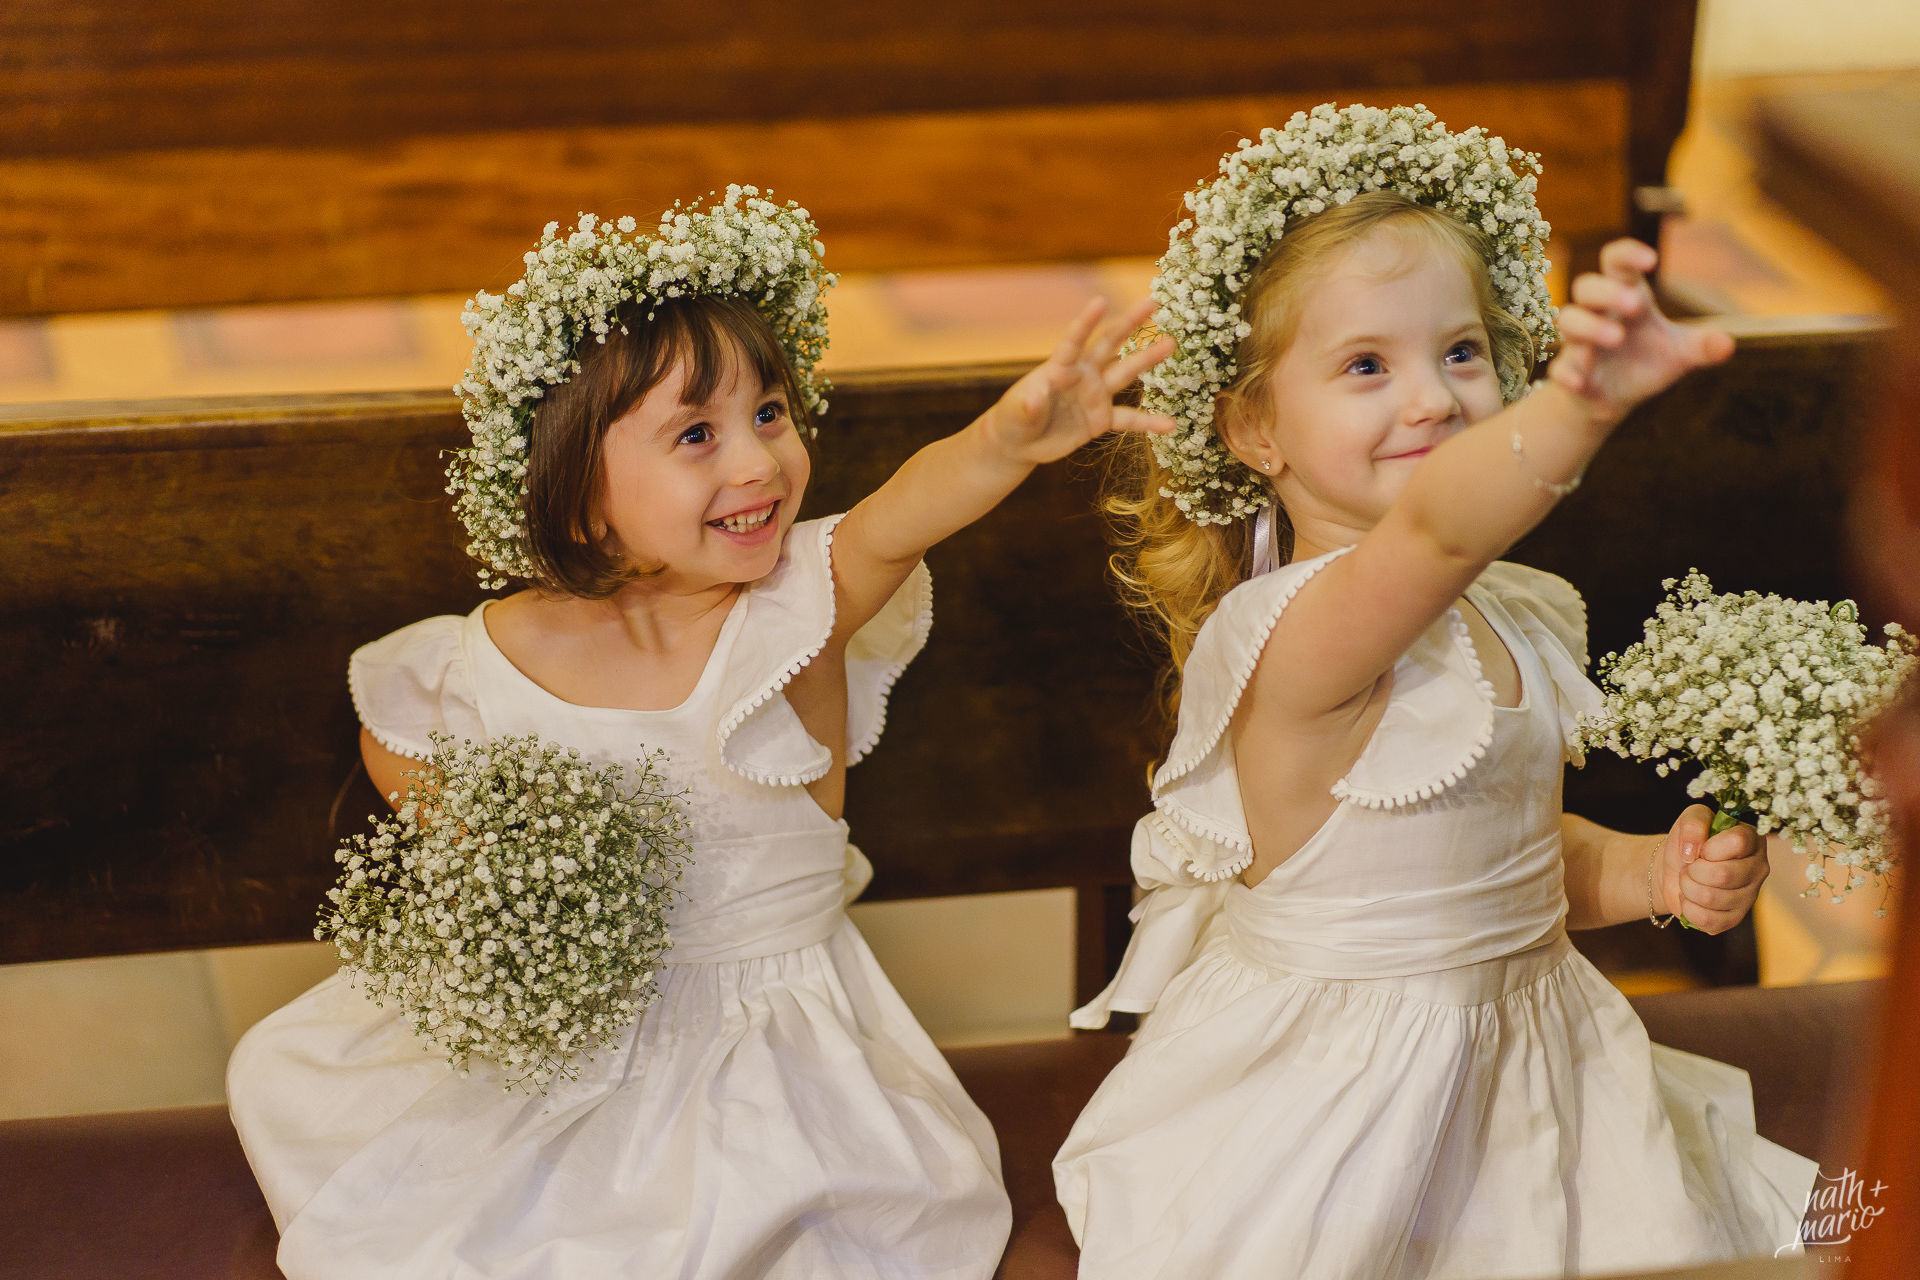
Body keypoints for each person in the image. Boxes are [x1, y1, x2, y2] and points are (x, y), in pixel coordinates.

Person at [227, 187, 1173, 1280]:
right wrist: (490, 863)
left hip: (767, 1054)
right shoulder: (482, 651)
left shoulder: (793, 615)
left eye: (771, 412)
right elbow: (394, 728)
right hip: (572, 1034)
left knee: (741, 1230)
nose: (759, 463)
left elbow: (903, 513)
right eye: (696, 433)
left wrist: (1008, 441)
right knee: (345, 1117)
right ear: (579, 496)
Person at [1053, 107, 1819, 1279]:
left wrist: (1651, 871)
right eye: (1368, 365)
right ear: (1254, 424)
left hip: (1538, 1078)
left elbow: (1510, 857)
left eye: (1462, 352)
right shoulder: (1295, 635)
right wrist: (1581, 408)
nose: (1433, 397)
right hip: (1339, 1116)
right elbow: (1429, 530)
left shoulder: (1512, 607)